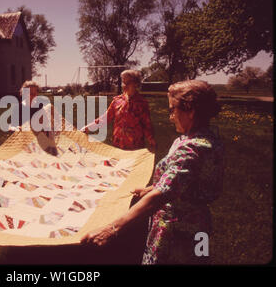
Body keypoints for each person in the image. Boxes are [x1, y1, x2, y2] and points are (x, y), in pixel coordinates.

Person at [81, 80, 224, 265]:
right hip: (199, 225)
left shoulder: (193, 149)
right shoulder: (208, 138)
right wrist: (151, 188)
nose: (170, 116)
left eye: (172, 109)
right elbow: (186, 181)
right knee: (199, 259)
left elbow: (162, 195)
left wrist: (112, 228)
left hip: (177, 229)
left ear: (191, 111)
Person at [80, 70, 156, 152]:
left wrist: (151, 139)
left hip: (135, 147)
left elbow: (146, 124)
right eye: (123, 82)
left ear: (136, 84)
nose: (124, 86)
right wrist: (88, 128)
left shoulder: (142, 103)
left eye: (128, 83)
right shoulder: (117, 101)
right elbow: (105, 118)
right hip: (118, 145)